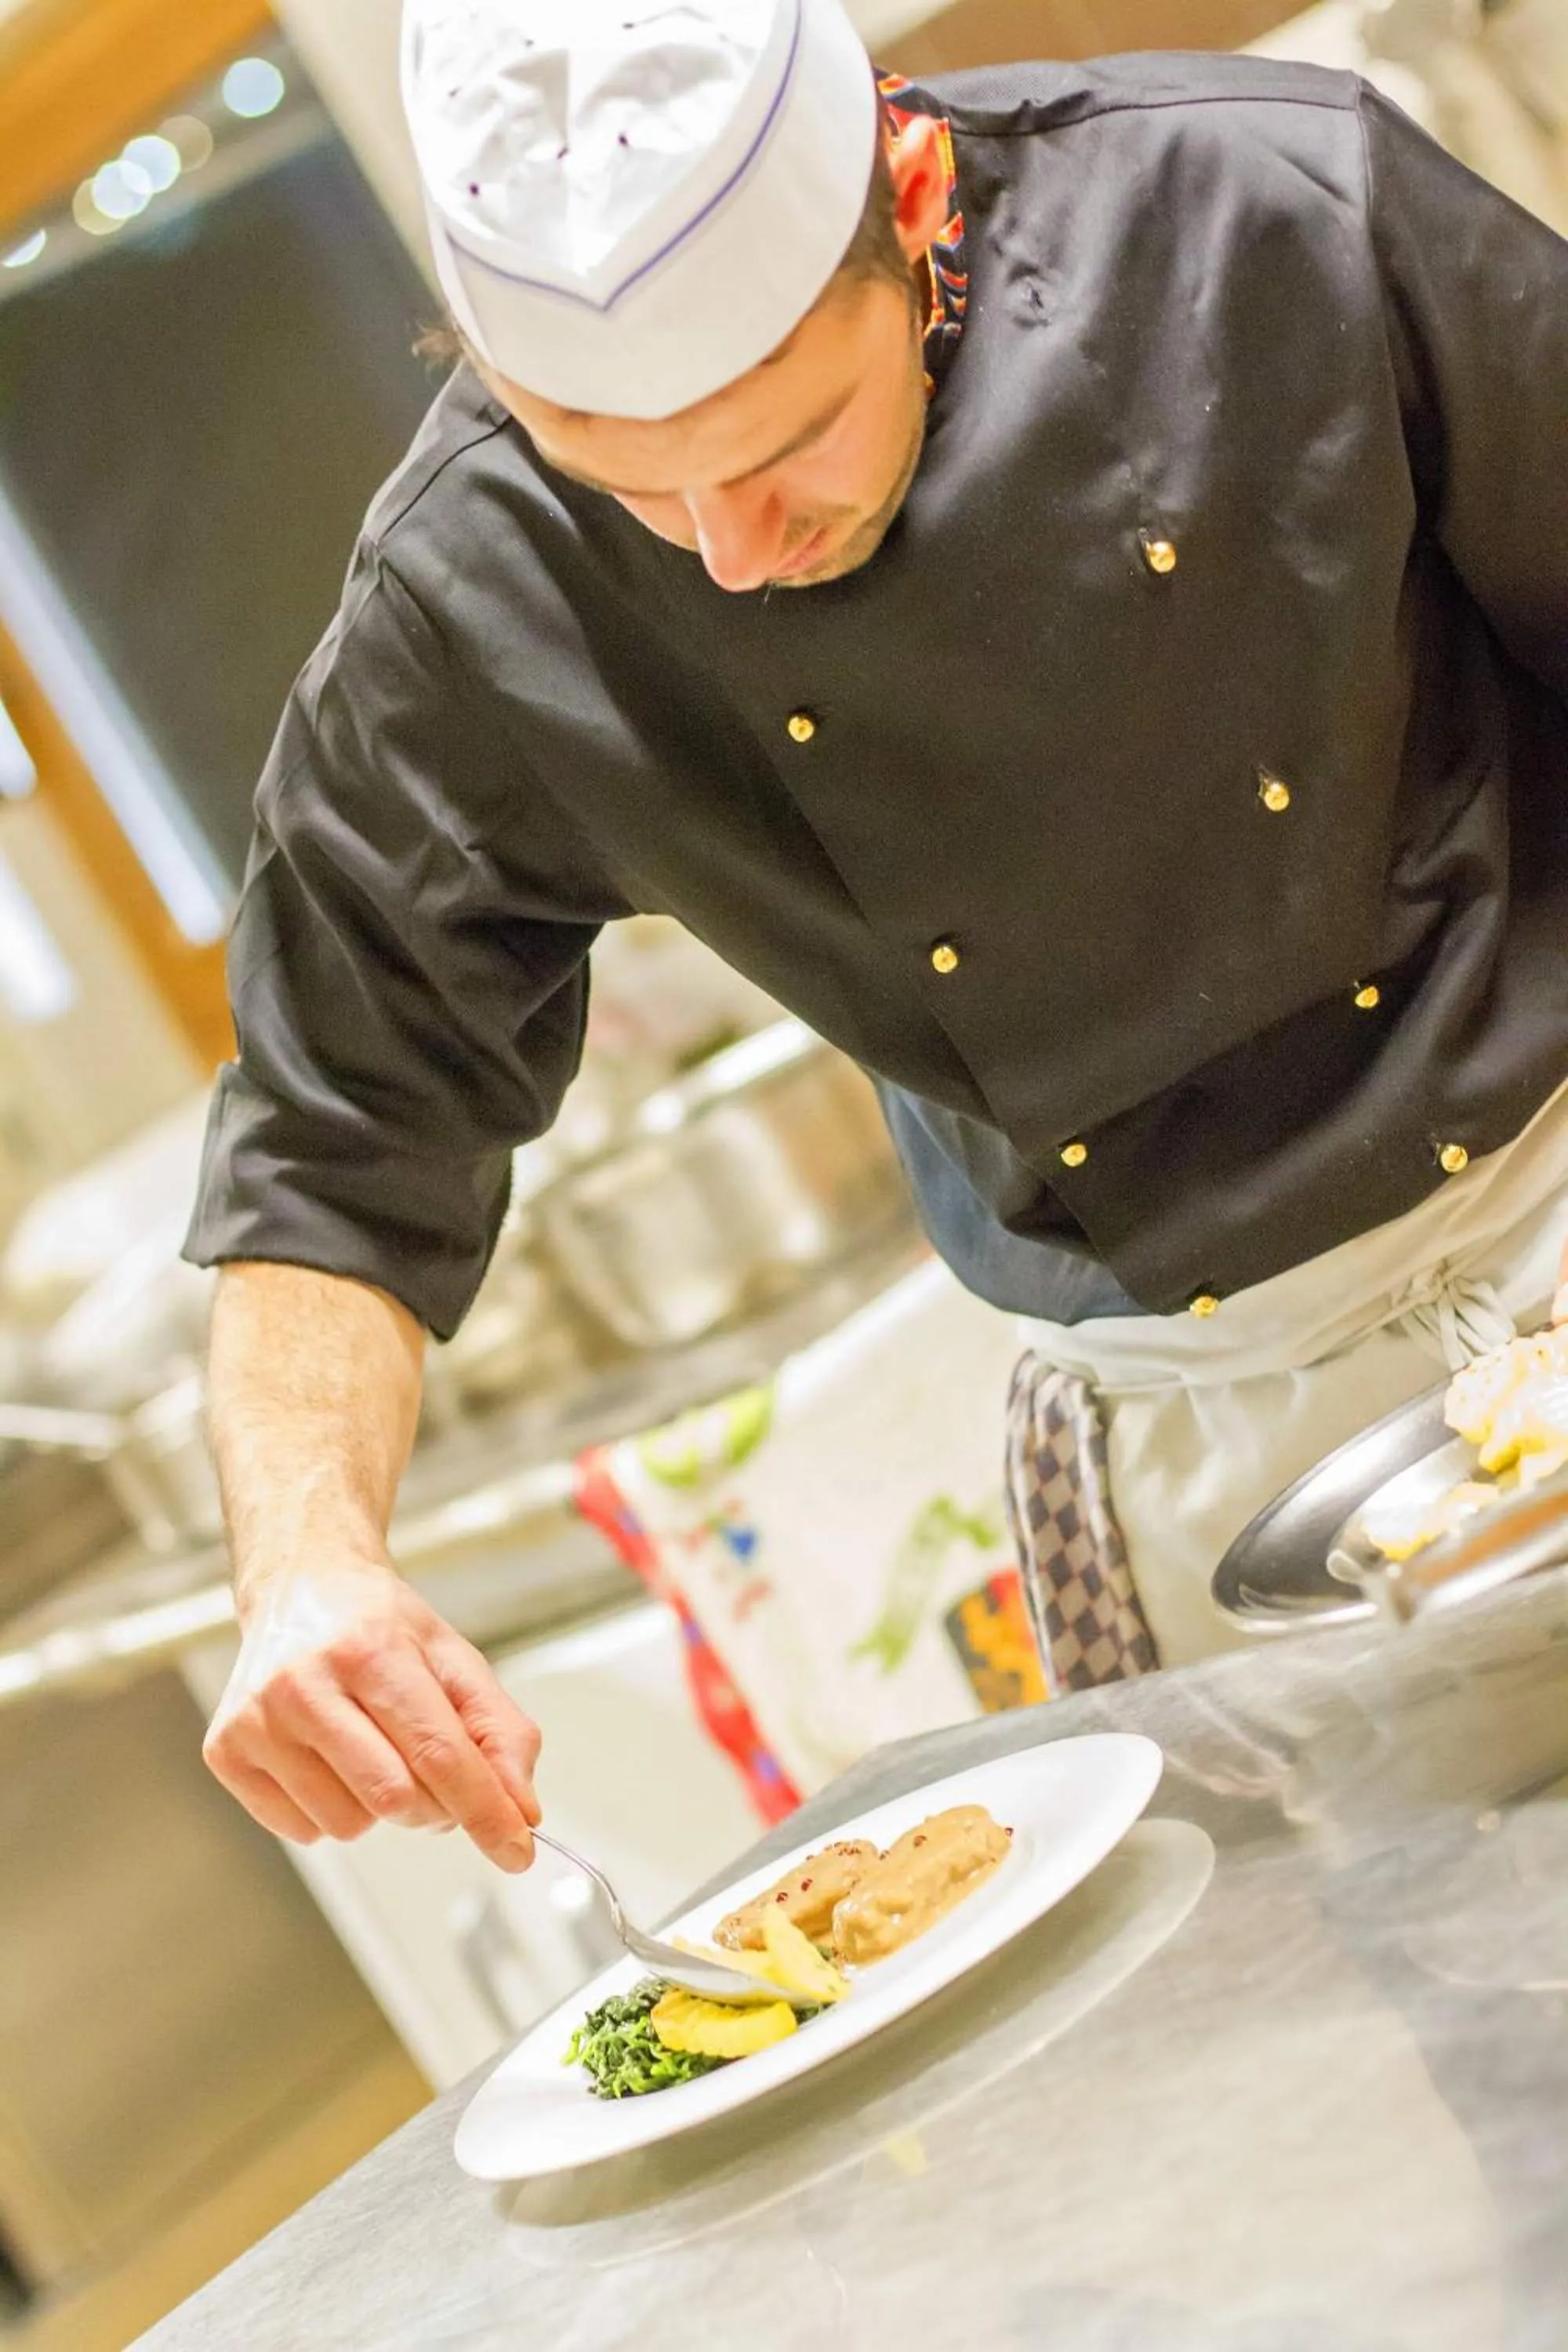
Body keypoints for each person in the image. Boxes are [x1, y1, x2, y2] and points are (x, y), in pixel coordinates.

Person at [189, 0, 1568, 1866]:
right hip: (1206, 1453)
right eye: (621, 476)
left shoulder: (1268, 207)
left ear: (913, 200)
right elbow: (333, 1150)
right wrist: (305, 1564)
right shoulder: (468, 596)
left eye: (785, 444)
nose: (725, 548)